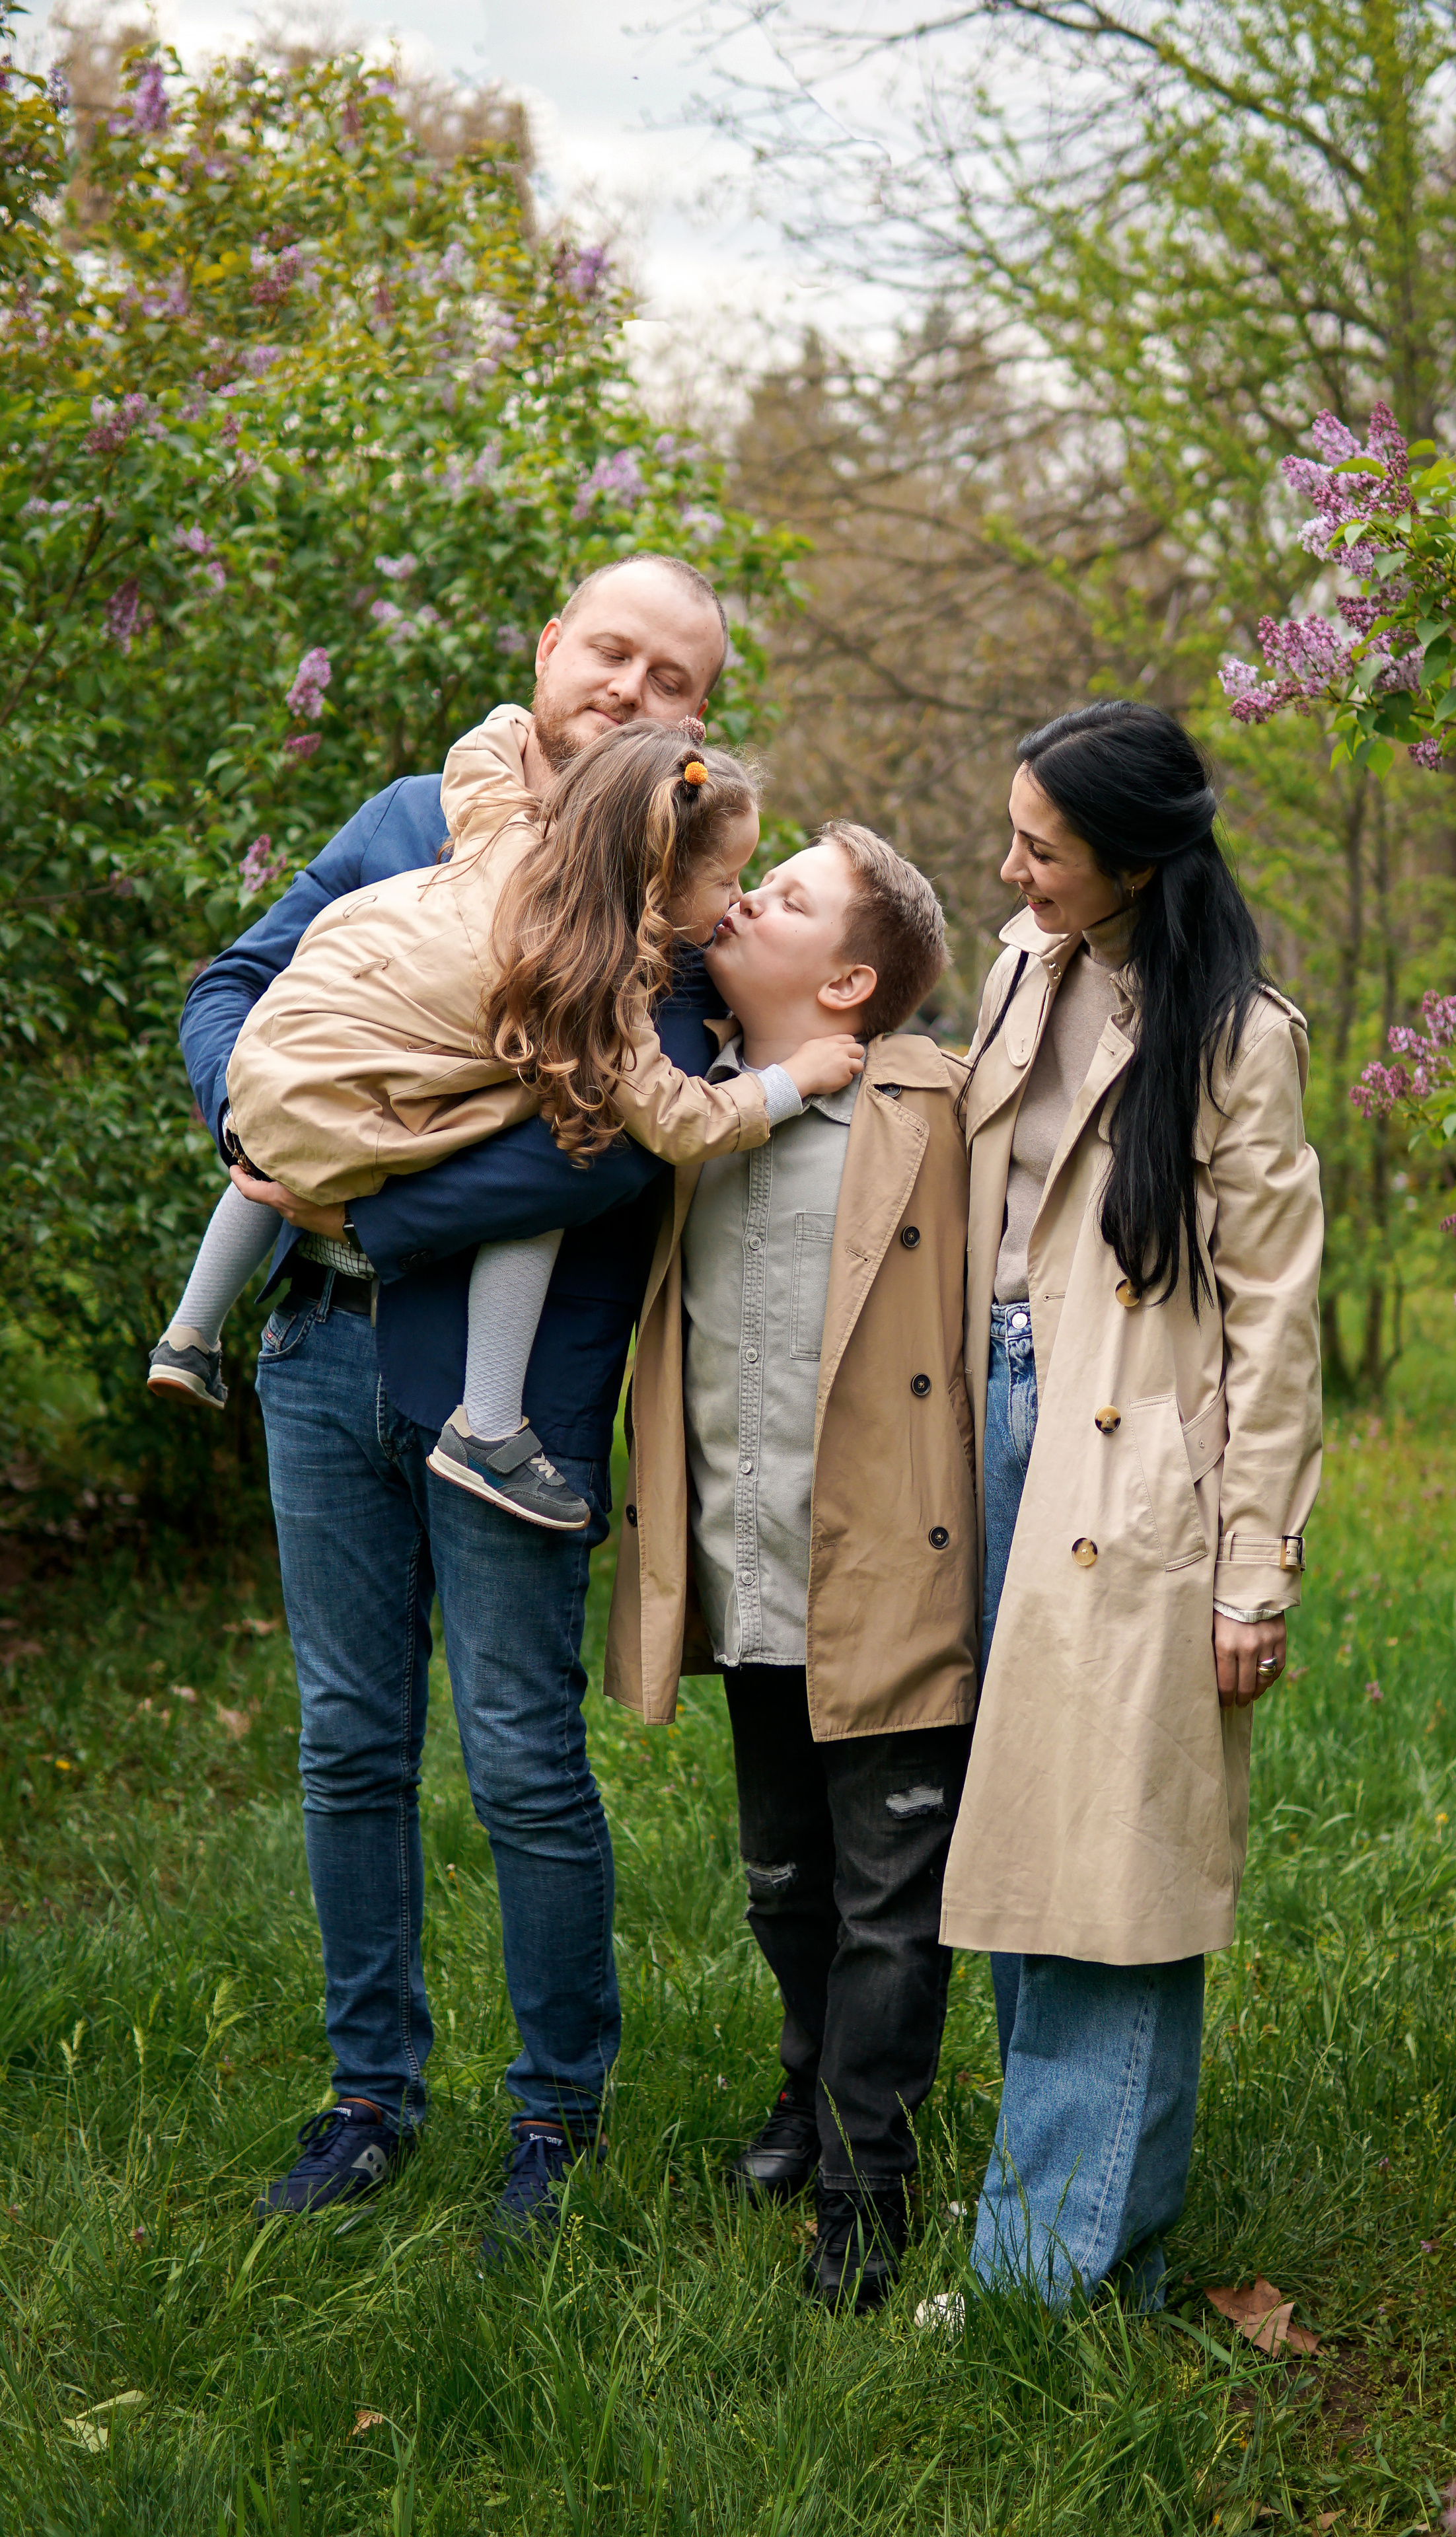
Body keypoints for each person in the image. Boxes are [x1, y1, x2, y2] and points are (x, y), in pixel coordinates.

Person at [178, 553, 754, 2256]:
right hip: (319, 1354)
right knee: (349, 1741)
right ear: (550, 647)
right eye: (611, 652)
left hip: (513, 1382)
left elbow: (620, 1141)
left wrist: (372, 1208)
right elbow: (231, 989)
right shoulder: (406, 820)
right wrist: (257, 1131)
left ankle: (553, 2115)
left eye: (672, 678)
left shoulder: (676, 869)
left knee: (518, 1753)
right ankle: (368, 2098)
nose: (629, 689)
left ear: (698, 720)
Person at [938, 700, 1323, 2310]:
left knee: (1112, 1857)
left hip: (1131, 1460)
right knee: (1029, 1832)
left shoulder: (1235, 1035)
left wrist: (1251, 1568)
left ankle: (1046, 2275)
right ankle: (1076, 2240)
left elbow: (1274, 1319)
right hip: (987, 1424)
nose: (1010, 869)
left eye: (1042, 848)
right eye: (1013, 835)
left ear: (1137, 863)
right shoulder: (1020, 970)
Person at [151, 711, 861, 1527]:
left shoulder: (504, 829)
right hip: (347, 1104)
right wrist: (790, 1082)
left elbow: (477, 757)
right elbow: (678, 1120)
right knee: (562, 1131)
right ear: (661, 877)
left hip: (280, 1050)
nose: (736, 900)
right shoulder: (601, 976)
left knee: (281, 1146)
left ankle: (190, 1334)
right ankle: (486, 1426)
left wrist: (526, 721)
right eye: (726, 880)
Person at [603, 823, 974, 2313]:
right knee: (780, 1881)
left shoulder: (930, 1108)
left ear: (849, 984)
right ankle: (809, 2078)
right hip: (745, 1575)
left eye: (792, 896)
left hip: (888, 1578)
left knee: (889, 1899)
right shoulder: (687, 1103)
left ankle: (864, 2183)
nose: (749, 897)